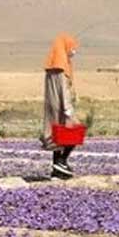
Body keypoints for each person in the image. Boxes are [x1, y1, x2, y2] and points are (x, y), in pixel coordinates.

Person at [41, 33, 79, 180]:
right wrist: (68, 110)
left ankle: (57, 169)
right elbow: (63, 91)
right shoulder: (62, 68)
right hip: (63, 108)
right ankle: (62, 161)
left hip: (52, 108)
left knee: (57, 138)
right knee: (74, 133)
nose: (73, 51)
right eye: (72, 47)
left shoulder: (52, 67)